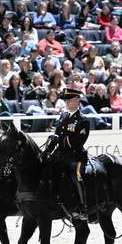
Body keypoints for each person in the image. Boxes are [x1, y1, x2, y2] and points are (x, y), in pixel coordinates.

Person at [47, 88, 90, 220]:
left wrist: (60, 139)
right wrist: (50, 147)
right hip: (60, 154)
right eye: (66, 100)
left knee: (76, 176)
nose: (66, 102)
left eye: (69, 100)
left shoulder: (83, 120)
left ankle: (83, 207)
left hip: (75, 155)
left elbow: (78, 142)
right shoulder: (63, 116)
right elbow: (58, 133)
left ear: (77, 100)